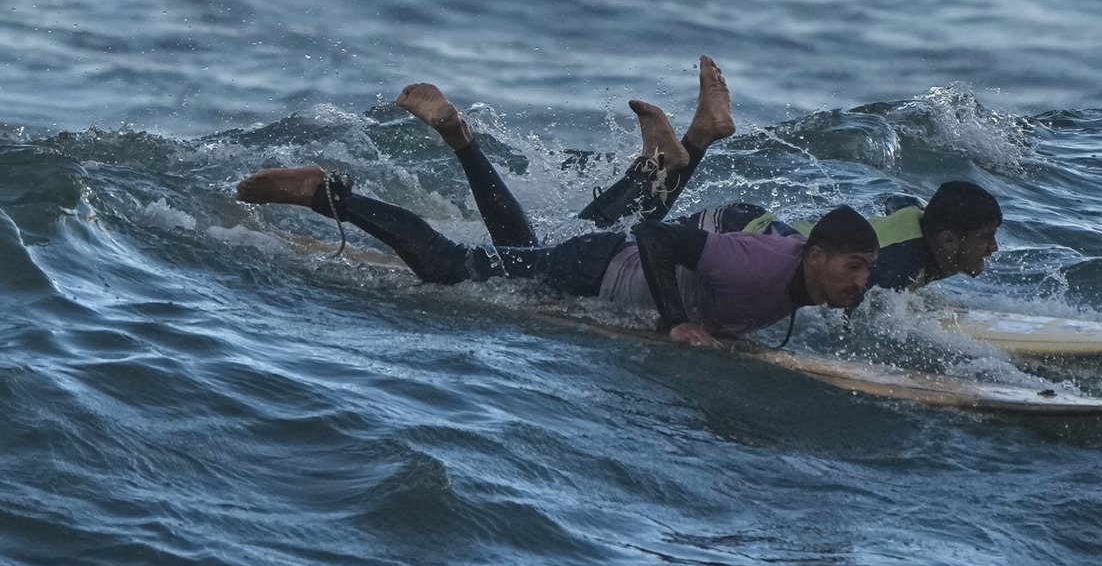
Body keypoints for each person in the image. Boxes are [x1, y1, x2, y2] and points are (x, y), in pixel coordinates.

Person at [234, 70, 878, 347]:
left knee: (524, 244)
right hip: (595, 268)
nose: (862, 281)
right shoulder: (758, 266)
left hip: (611, 257)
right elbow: (657, 240)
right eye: (854, 267)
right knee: (450, 268)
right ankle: (325, 192)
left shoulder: (796, 270)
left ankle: (681, 152)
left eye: (866, 270)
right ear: (816, 256)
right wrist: (678, 323)